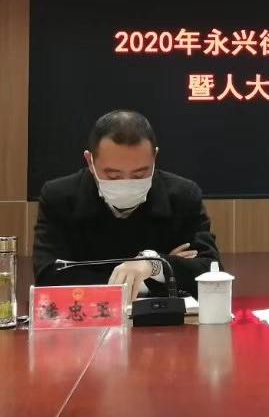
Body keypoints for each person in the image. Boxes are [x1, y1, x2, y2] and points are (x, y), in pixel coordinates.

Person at [33, 110, 219, 297]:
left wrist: (153, 265)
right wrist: (159, 272)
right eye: (113, 176)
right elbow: (49, 276)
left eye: (139, 175)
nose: (127, 183)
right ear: (90, 161)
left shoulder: (182, 196)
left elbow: (210, 270)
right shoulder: (60, 198)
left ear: (154, 158)